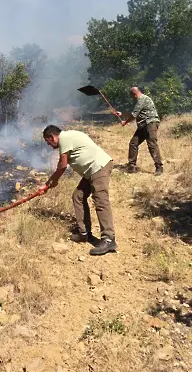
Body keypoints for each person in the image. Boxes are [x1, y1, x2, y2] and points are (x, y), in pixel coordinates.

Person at [43, 125, 117, 256]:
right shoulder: (68, 137)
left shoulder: (64, 138)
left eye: (47, 142)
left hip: (98, 168)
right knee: (78, 196)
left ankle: (108, 239)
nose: (49, 145)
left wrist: (51, 182)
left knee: (101, 201)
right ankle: (84, 233)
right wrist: (51, 182)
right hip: (91, 172)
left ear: (52, 137)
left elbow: (62, 165)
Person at [120, 87, 163, 175]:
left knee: (152, 144)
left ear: (134, 94)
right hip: (143, 125)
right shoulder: (142, 100)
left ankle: (159, 167)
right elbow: (136, 112)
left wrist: (125, 122)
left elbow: (134, 114)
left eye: (132, 96)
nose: (132, 98)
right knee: (133, 143)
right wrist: (122, 113)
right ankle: (132, 166)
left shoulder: (142, 99)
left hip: (150, 123)